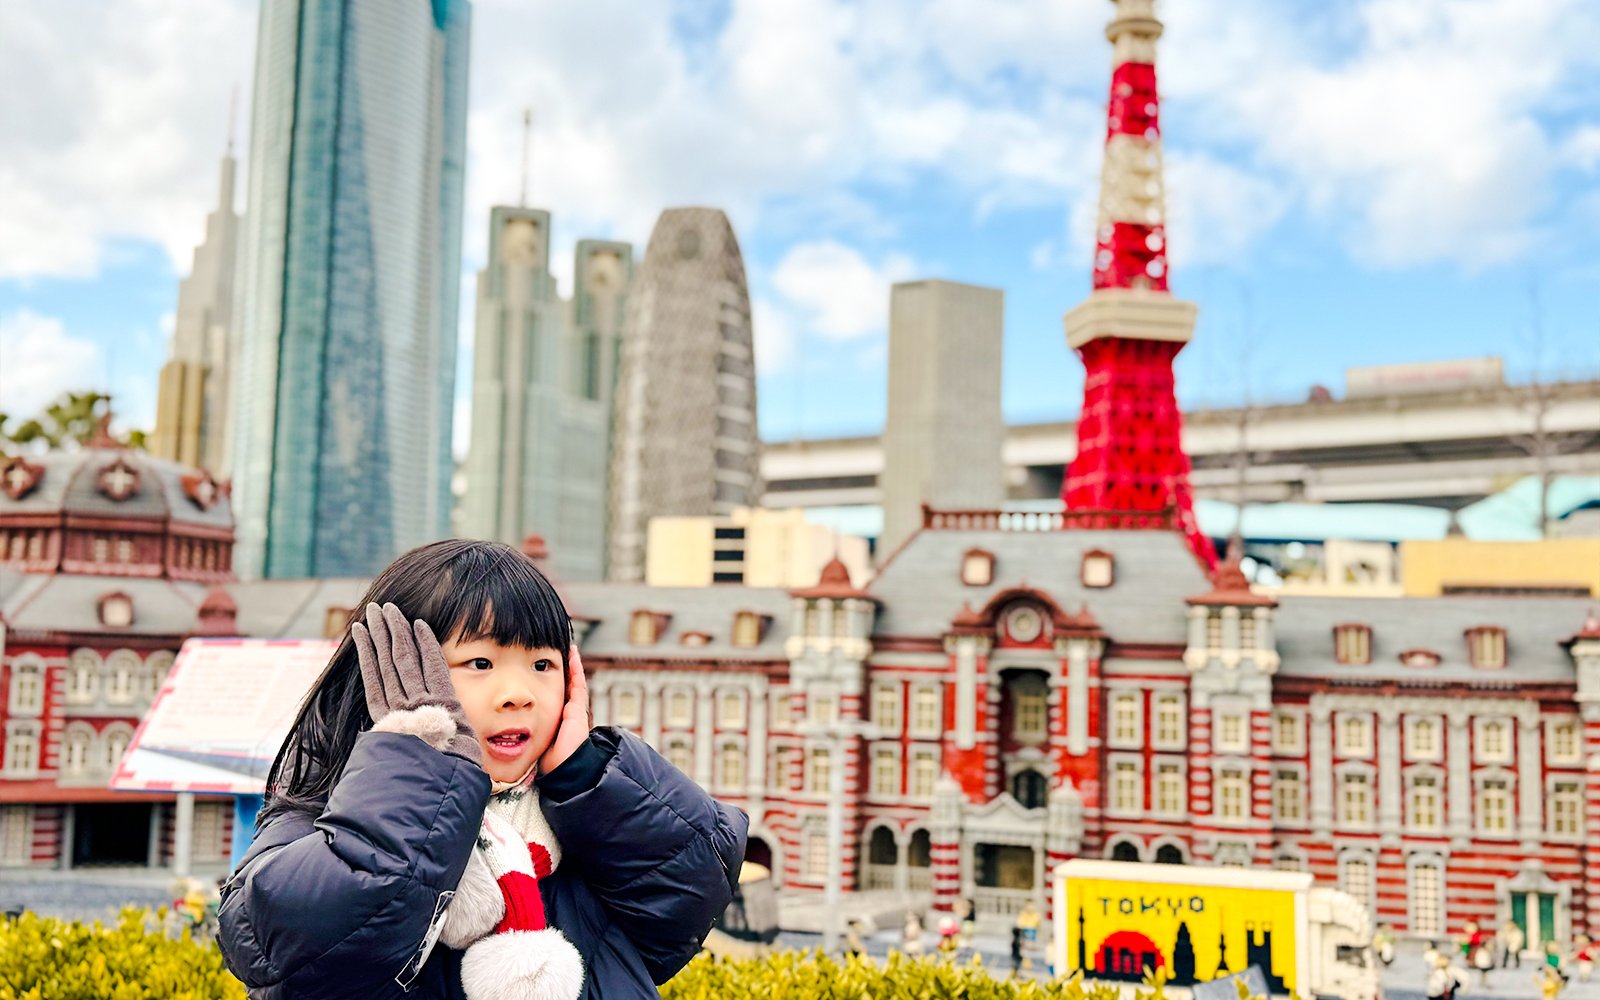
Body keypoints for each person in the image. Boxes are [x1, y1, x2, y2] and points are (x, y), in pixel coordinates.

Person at [217, 540, 748, 1000]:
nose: (518, 695)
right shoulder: (324, 816)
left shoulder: (578, 822)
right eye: (480, 664)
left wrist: (587, 775)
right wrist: (419, 766)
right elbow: (290, 954)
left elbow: (690, 895)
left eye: (543, 665)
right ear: (394, 673)